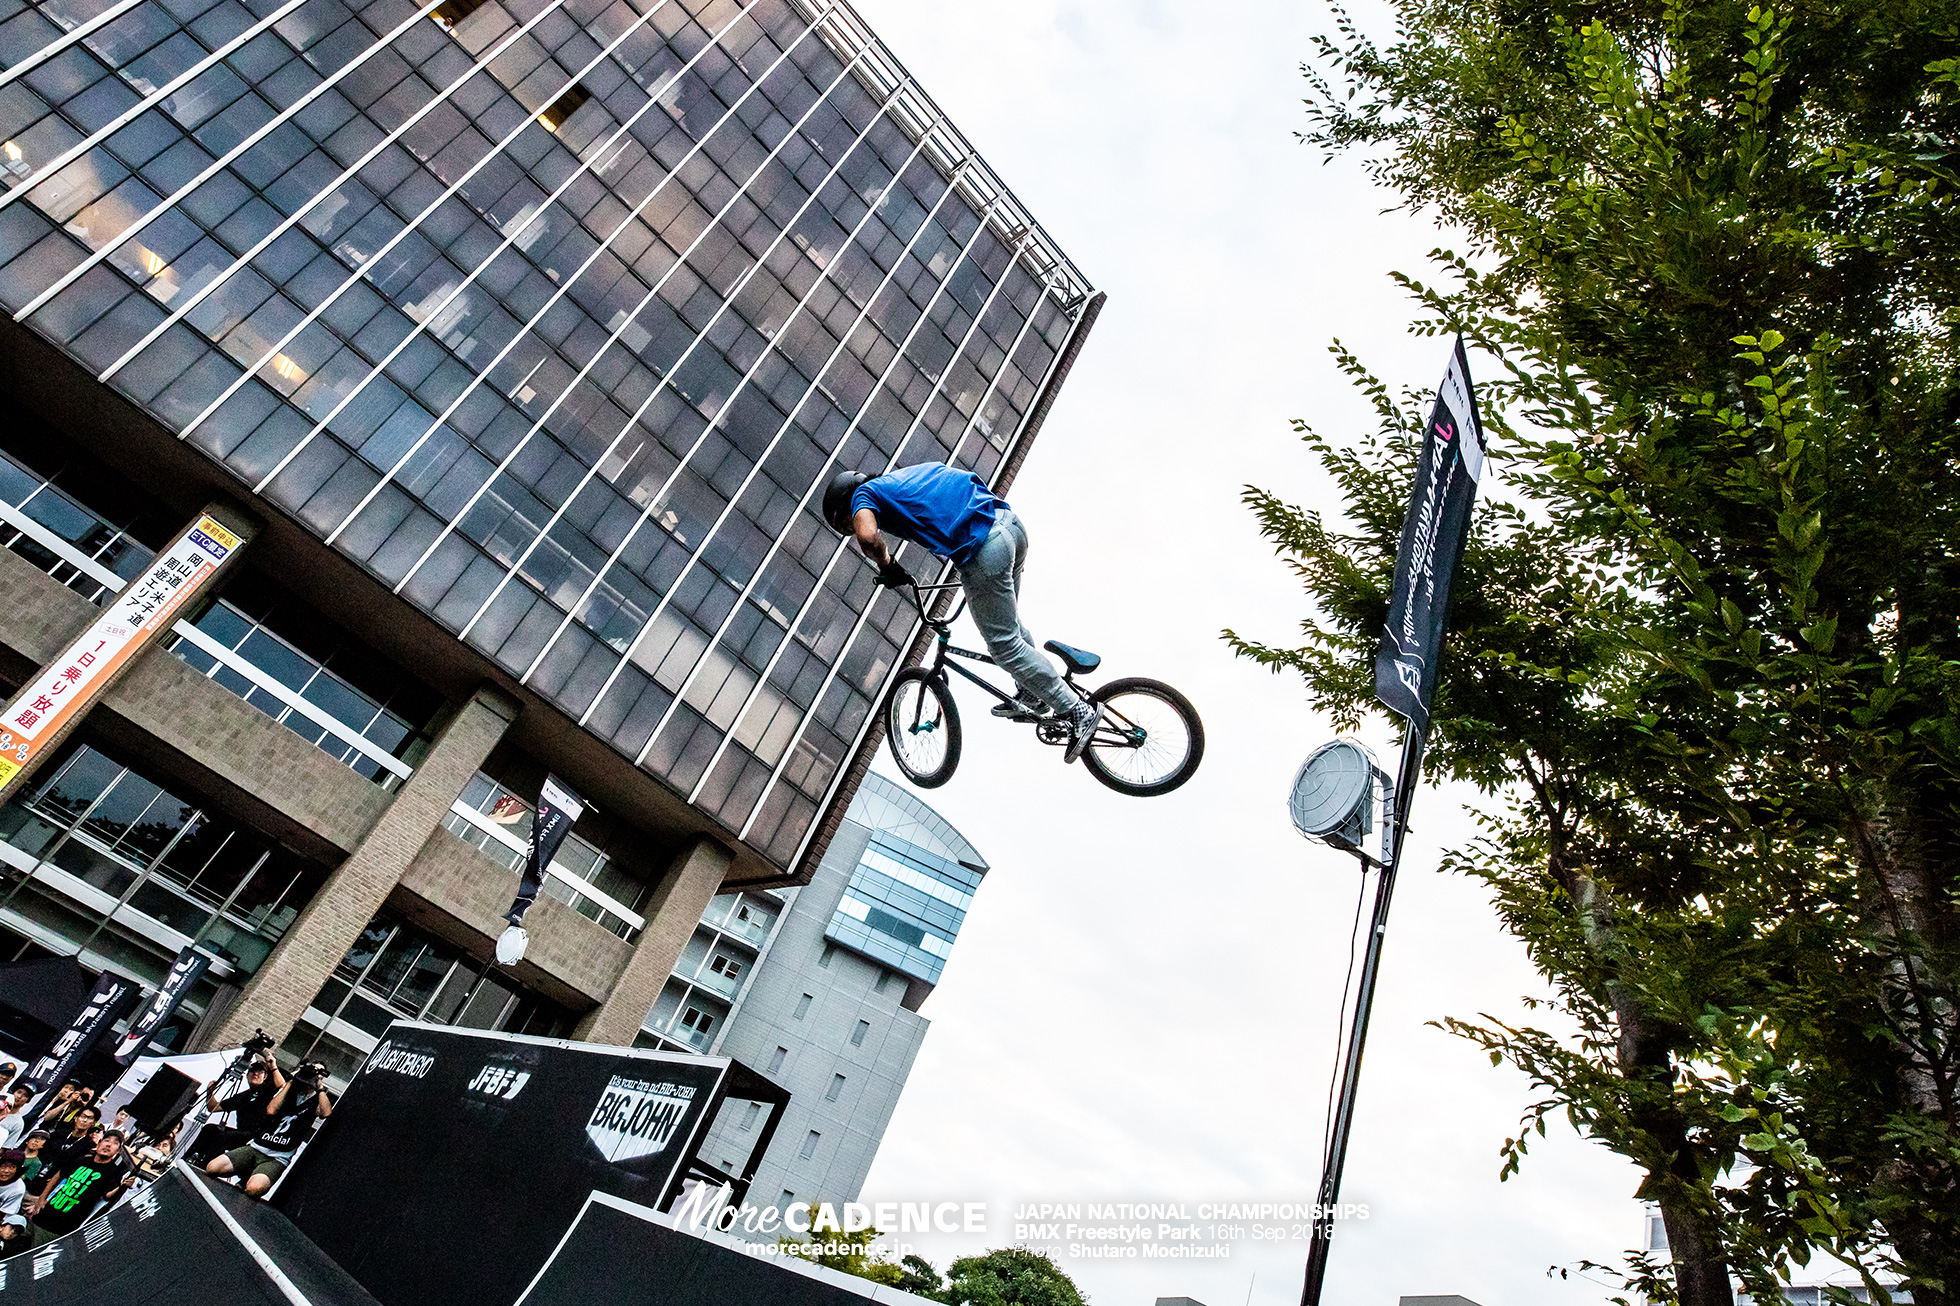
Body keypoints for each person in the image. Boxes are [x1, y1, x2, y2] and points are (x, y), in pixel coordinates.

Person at [822, 464, 1105, 763]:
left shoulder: (864, 494)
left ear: (846, 503)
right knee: (1011, 628)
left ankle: (1077, 710)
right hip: (1010, 527)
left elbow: (868, 537)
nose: (853, 527)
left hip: (984, 545)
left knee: (1004, 646)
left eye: (847, 525)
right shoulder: (906, 477)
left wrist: (888, 565)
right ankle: (1032, 691)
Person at [205, 1058, 331, 1197]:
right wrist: (292, 1082)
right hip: (258, 1145)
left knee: (253, 1190)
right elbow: (271, 1110)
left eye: (317, 1071)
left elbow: (325, 1113)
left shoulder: (318, 1098)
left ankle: (251, 1176)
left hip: (278, 1156)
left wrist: (319, 1087)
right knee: (212, 1168)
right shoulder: (289, 1091)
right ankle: (245, 1171)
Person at [26, 1129, 132, 1246]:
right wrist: (42, 1198)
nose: (108, 1145)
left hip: (60, 1227)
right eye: (106, 1140)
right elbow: (60, 1174)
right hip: (43, 1213)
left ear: (118, 1151)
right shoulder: (83, 1160)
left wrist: (123, 1187)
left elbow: (108, 1196)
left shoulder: (113, 1172)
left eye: (115, 1143)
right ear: (99, 1143)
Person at [194, 1051, 279, 1163]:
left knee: (223, 1136)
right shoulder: (243, 1095)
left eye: (260, 1072)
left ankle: (207, 1165)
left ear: (265, 1076)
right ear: (247, 1075)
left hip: (258, 1135)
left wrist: (273, 1066)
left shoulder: (267, 1090)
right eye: (252, 1071)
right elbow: (213, 1107)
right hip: (242, 1133)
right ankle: (193, 1158)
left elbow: (281, 1085)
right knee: (209, 1129)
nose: (255, 1074)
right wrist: (210, 1091)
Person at [0, 1149, 26, 1255]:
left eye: (12, 1167)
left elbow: (3, 1214)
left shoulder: (18, 1188)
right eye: (3, 1166)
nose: (6, 1171)